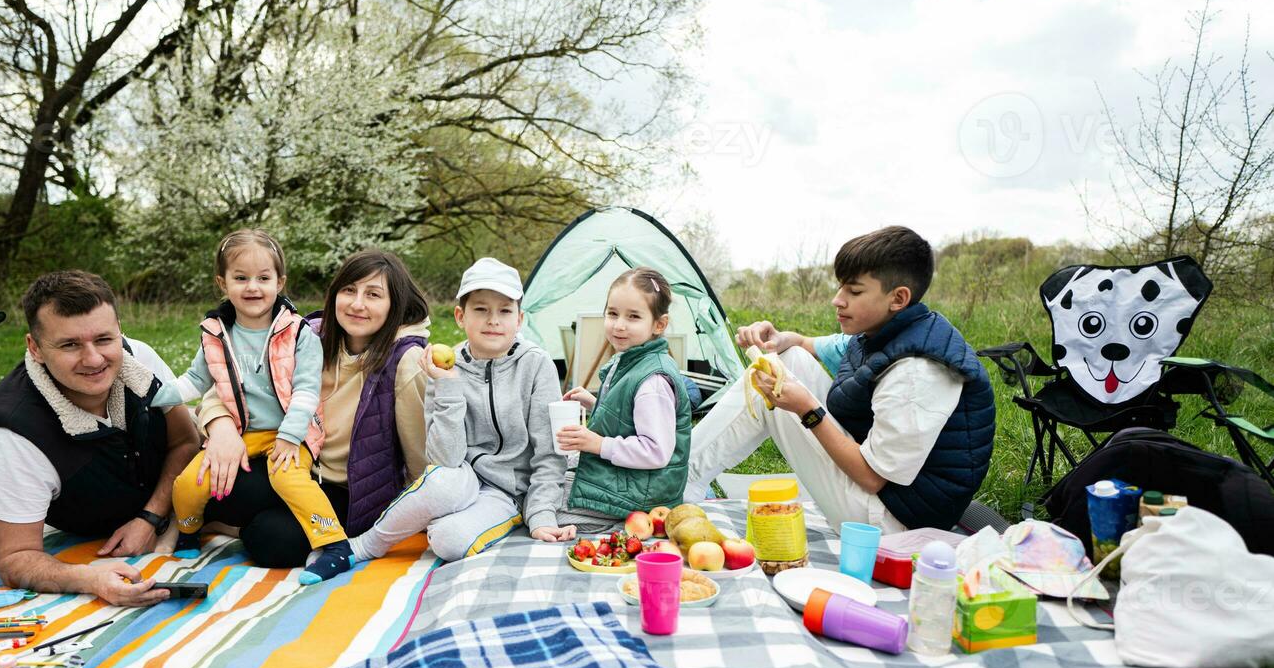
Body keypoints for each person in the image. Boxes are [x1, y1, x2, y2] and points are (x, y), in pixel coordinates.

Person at [687, 225, 996, 533]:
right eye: (840, 287)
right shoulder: (886, 333)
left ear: (898, 298)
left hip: (893, 522)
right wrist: (779, 339)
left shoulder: (916, 374)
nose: (838, 299)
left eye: (854, 291)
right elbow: (806, 345)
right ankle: (684, 474)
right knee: (783, 360)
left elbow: (873, 478)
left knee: (780, 381)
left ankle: (680, 480)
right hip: (887, 493)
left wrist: (807, 410)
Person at [299, 258, 574, 583]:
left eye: (504, 311)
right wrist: (449, 385)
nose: (493, 321)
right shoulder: (444, 364)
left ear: (520, 318)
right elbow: (445, 458)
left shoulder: (536, 365)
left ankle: (496, 516)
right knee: (443, 481)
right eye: (481, 309)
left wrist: (541, 514)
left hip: (510, 490)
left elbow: (549, 451)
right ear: (461, 316)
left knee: (447, 540)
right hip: (464, 477)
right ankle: (363, 546)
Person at [193, 249, 431, 566]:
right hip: (295, 460)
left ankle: (249, 524)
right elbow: (230, 380)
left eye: (373, 295)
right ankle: (233, 517)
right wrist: (219, 424)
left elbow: (419, 453)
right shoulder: (305, 336)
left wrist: (421, 514)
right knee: (217, 487)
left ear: (394, 304)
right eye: (349, 290)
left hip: (352, 490)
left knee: (270, 540)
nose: (358, 304)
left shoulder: (405, 361)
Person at [0, 271, 200, 606]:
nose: (94, 359)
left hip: (169, 508)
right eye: (70, 345)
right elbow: (15, 556)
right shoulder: (15, 432)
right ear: (34, 348)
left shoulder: (139, 357)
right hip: (91, 530)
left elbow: (186, 441)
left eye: (105, 340)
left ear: (120, 331)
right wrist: (89, 578)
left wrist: (149, 517)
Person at [153, 230, 348, 564]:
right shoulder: (215, 334)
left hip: (290, 431)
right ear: (222, 283)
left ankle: (334, 544)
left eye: (263, 278)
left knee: (289, 479)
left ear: (280, 282)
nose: (253, 287)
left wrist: (290, 436)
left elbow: (305, 391)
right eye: (240, 278)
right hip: (244, 433)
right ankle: (188, 530)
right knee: (189, 483)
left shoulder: (299, 333)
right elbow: (197, 380)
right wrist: (152, 396)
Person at [555, 267, 693, 532]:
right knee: (546, 476)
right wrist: (596, 404)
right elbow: (633, 418)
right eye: (612, 313)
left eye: (633, 317)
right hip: (633, 479)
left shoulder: (652, 381)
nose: (619, 325)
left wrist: (597, 443)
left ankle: (623, 523)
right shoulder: (630, 359)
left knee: (542, 500)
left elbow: (656, 451)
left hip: (646, 492)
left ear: (659, 325)